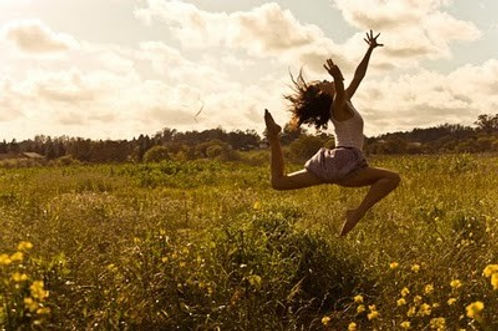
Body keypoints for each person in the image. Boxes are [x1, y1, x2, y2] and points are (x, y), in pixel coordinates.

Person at [264, 30, 401, 236]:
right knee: (392, 178)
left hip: (334, 163)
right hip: (346, 160)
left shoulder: (345, 102)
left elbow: (359, 76)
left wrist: (369, 50)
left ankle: (274, 137)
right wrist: (337, 79)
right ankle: (356, 214)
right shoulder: (337, 107)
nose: (325, 82)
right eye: (323, 84)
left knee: (279, 183)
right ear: (327, 93)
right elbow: (340, 92)